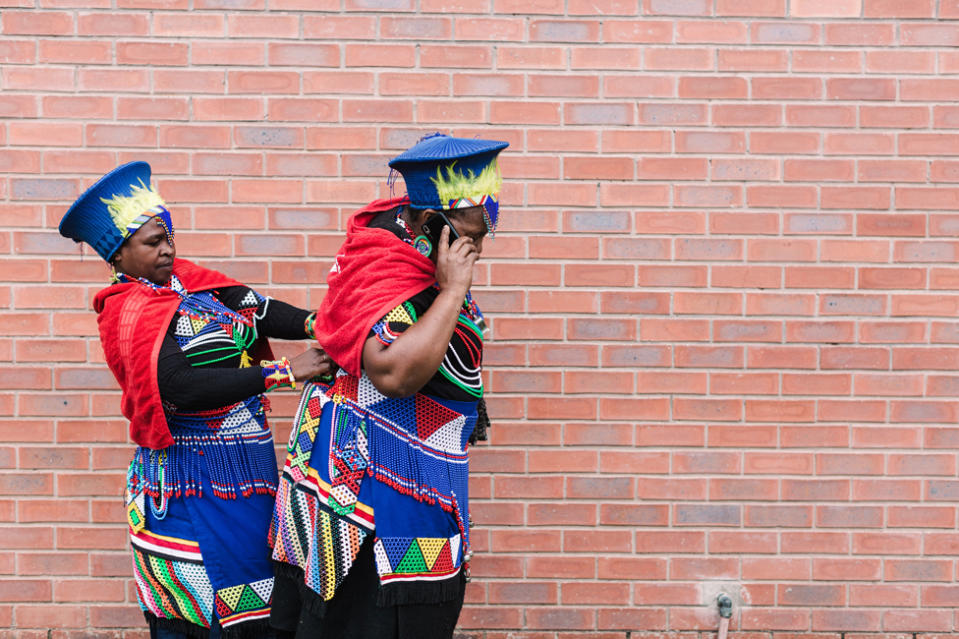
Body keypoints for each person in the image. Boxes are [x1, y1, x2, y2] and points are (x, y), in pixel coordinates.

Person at [58, 161, 335, 639]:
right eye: (152, 242)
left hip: (248, 477)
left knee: (261, 608)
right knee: (204, 618)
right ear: (118, 254)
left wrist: (325, 326)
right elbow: (177, 386)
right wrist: (285, 372)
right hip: (188, 486)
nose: (167, 249)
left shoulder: (191, 283)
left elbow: (260, 309)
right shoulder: (125, 311)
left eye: (168, 236)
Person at [268, 133, 507, 639]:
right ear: (432, 223)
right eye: (471, 234)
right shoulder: (387, 264)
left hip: (415, 479)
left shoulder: (416, 259)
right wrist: (454, 290)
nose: (478, 247)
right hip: (367, 506)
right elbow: (394, 373)